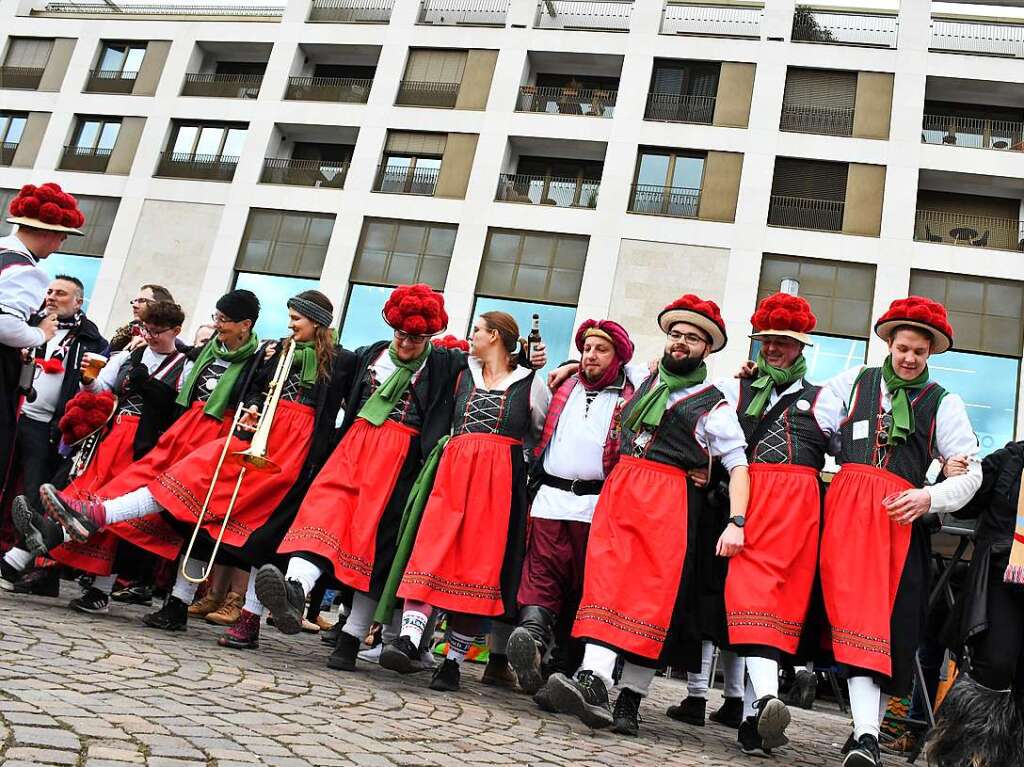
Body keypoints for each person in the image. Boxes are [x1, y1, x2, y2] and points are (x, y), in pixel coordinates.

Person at [39, 292, 348, 643]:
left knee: (261, 534)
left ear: (317, 321)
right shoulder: (275, 351)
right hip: (257, 435)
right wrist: (251, 407)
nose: (290, 324)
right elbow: (255, 390)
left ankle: (249, 621)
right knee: (185, 481)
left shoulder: (343, 360)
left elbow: (345, 411)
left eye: (297, 318)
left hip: (296, 450)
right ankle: (97, 515)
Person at [538, 294, 750, 738]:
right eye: (676, 334)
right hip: (622, 490)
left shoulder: (716, 402)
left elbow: (738, 464)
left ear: (707, 348)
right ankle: (592, 680)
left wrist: (736, 522)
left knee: (650, 599)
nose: (681, 342)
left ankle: (630, 703)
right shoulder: (643, 376)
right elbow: (602, 366)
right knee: (605, 583)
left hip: (668, 501)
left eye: (692, 338)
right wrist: (568, 368)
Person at [22, 289, 262, 627]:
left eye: (223, 320)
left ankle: (177, 602)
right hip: (185, 430)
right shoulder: (202, 352)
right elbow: (174, 394)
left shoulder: (258, 360)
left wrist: (251, 411)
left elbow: (256, 394)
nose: (217, 325)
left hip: (220, 437)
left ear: (245, 325)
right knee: (135, 489)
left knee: (193, 525)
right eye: (216, 318)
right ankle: (59, 533)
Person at [254, 285, 468, 664]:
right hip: (353, 446)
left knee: (373, 545)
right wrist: (275, 350)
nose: (405, 343)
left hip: (402, 462)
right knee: (323, 513)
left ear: (429, 337)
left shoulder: (444, 363)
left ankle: (351, 640)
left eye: (415, 338)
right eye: (401, 334)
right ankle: (294, 591)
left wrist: (535, 361)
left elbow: (494, 361)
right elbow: (324, 362)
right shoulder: (371, 354)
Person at [819, 296, 981, 767]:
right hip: (845, 513)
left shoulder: (944, 403)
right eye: (903, 348)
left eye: (919, 352)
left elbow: (970, 474)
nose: (910, 359)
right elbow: (809, 424)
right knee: (841, 617)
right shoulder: (852, 383)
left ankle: (867, 737)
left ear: (930, 353)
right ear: (889, 343)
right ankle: (762, 707)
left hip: (897, 520)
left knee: (880, 625)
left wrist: (929, 496)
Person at [376, 311, 549, 693]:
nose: (472, 336)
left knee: (477, 566)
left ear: (496, 337)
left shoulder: (531, 383)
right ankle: (409, 639)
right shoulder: (462, 370)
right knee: (431, 550)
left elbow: (537, 433)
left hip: (499, 481)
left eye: (477, 331)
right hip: (454, 471)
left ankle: (452, 663)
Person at [714, 292, 843, 756]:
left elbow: (849, 452)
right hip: (747, 501)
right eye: (766, 341)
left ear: (803, 347)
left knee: (775, 612)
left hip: (797, 511)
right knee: (749, 600)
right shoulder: (735, 390)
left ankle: (753, 722)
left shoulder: (825, 401)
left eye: (783, 343)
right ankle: (767, 699)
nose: (772, 349)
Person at [5, 301, 187, 611]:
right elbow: (100, 388)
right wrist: (89, 380)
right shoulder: (130, 355)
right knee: (74, 497)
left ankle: (98, 588)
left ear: (176, 331)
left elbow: (177, 408)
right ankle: (27, 559)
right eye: (147, 329)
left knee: (114, 513)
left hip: (145, 447)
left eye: (158, 332)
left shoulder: (185, 364)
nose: (151, 336)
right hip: (111, 436)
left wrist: (152, 389)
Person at [505, 319, 640, 697]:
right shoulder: (564, 385)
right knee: (540, 574)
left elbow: (654, 369)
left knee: (586, 586)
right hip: (550, 499)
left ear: (618, 357)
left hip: (598, 504)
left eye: (601, 350)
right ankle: (530, 640)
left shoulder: (631, 391)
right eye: (586, 349)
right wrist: (563, 365)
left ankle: (565, 665)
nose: (590, 356)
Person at [1, 184, 84, 505]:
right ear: (49, 233)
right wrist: (39, 335)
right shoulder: (26, 269)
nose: (62, 242)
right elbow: (4, 324)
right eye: (63, 235)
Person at [9, 276, 106, 508]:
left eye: (60, 293)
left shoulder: (91, 339)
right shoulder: (28, 325)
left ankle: (24, 542)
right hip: (12, 414)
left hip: (47, 427)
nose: (51, 297)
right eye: (49, 292)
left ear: (78, 302)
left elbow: (94, 388)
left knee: (34, 490)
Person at [105, 284, 176, 355]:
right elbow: (104, 357)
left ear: (160, 305)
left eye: (142, 300)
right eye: (135, 301)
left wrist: (151, 343)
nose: (134, 305)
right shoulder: (127, 332)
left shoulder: (171, 345)